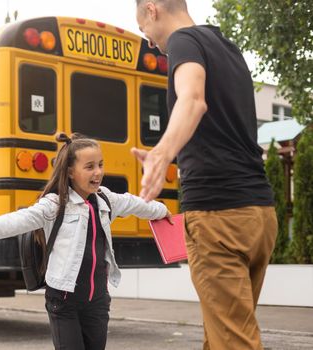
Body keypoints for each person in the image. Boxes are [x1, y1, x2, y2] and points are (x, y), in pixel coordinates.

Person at [132, 1, 277, 349]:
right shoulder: (228, 48)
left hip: (219, 215)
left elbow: (192, 99)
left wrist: (162, 154)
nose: (149, 42)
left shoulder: (184, 42)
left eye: (143, 30)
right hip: (258, 214)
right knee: (223, 333)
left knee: (233, 341)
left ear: (152, 9)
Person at [0, 132, 171, 350]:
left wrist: (161, 211)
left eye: (100, 165)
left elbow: (135, 203)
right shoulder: (54, 205)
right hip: (64, 300)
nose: (98, 172)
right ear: (70, 172)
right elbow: (12, 222)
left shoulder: (105, 199)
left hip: (98, 302)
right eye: (90, 166)